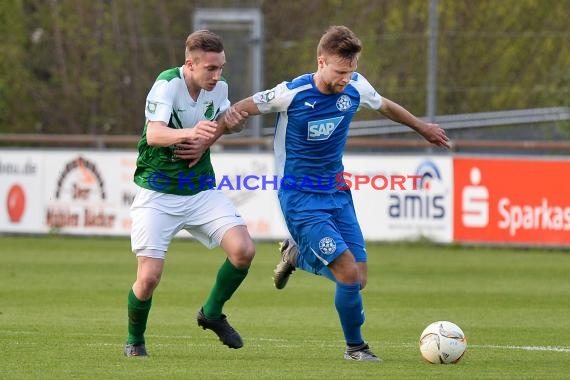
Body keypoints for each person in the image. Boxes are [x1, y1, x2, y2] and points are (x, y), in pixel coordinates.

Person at [228, 25, 449, 361]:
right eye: (341, 71)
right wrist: (208, 135)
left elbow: (386, 106)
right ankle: (355, 347)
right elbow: (241, 108)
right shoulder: (291, 93)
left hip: (338, 193)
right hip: (300, 198)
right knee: (346, 271)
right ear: (321, 62)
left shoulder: (356, 86)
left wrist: (423, 128)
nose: (347, 78)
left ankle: (296, 255)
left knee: (358, 279)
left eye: (352, 69)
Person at [124, 30, 255, 357]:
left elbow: (220, 123)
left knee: (243, 250)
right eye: (210, 68)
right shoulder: (167, 84)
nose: (217, 75)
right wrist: (192, 132)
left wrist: (231, 125)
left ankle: (211, 314)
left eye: (221, 67)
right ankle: (135, 340)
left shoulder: (219, 89)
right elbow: (154, 134)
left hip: (199, 190)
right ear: (190, 64)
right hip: (158, 193)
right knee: (149, 277)